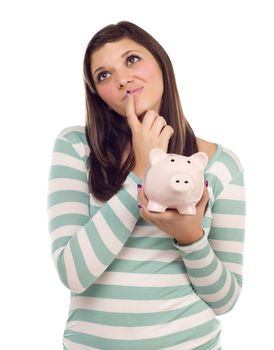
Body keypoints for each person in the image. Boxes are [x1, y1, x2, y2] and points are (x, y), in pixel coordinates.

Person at [47, 21, 245, 350]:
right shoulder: (76, 148)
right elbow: (73, 272)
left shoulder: (220, 165)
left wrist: (190, 237)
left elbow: (225, 300)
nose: (123, 78)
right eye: (104, 75)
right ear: (98, 95)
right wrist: (140, 171)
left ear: (161, 63)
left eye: (132, 59)